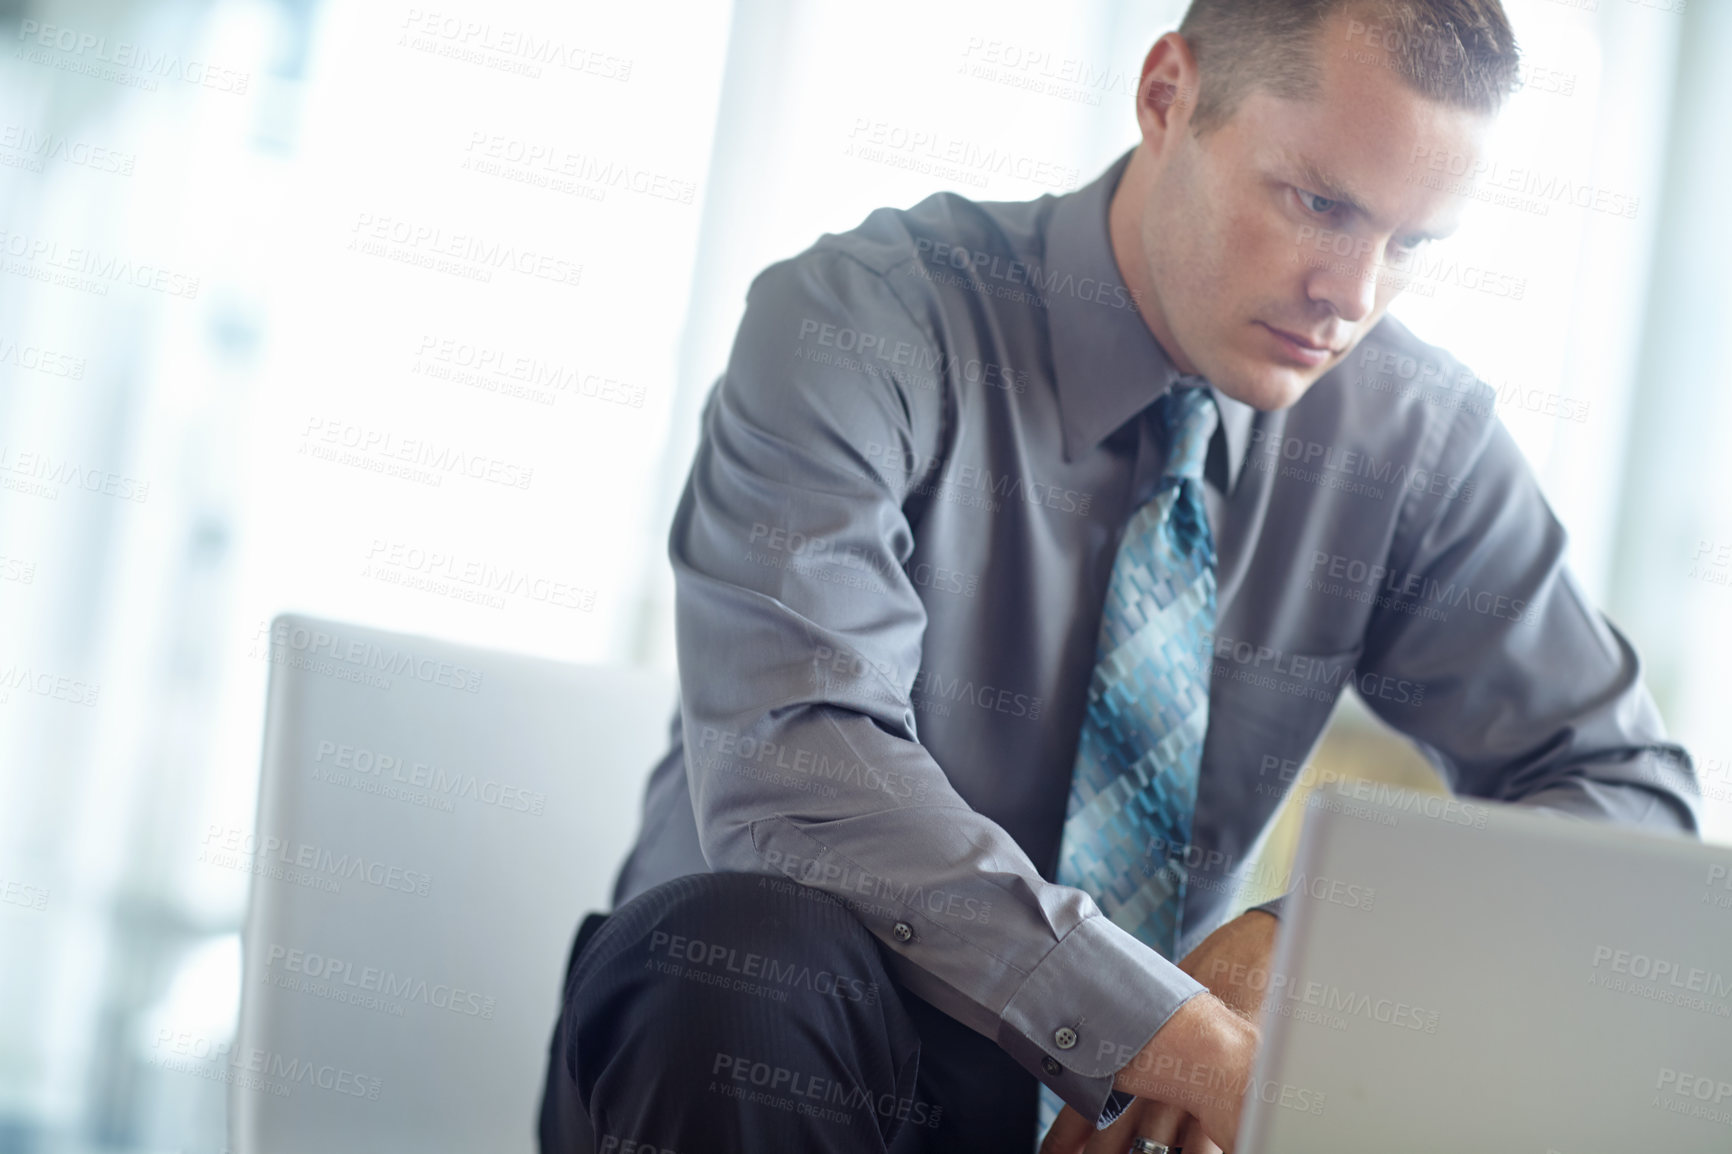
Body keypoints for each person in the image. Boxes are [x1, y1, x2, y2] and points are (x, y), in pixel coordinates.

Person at [540, 2, 1700, 1152]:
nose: (1352, 294)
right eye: (1319, 203)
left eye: (1410, 245)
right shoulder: (861, 320)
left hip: (1140, 1122)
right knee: (746, 954)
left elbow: (1623, 801)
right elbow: (794, 760)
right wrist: (1168, 1029)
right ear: (1166, 96)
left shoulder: (1413, 444)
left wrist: (1309, 944)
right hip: (770, 1069)